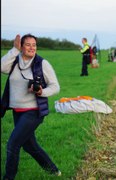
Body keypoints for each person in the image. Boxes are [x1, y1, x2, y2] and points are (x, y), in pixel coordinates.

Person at [1, 34, 61, 179]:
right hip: (17, 111)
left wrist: (42, 91)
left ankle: (8, 178)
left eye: (34, 45)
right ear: (21, 46)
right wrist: (14, 51)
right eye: (28, 44)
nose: (32, 47)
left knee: (13, 144)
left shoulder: (42, 63)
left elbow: (55, 87)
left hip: (34, 111)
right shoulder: (15, 61)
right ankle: (54, 171)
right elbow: (2, 67)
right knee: (29, 146)